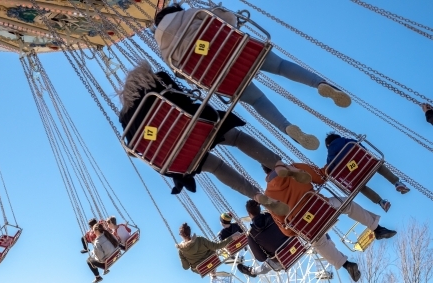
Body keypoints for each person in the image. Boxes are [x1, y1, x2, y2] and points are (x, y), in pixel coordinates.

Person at [118, 60, 312, 215]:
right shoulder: (157, 80)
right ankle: (279, 165)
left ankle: (256, 195)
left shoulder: (125, 118)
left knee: (215, 166)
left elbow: (136, 148)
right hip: (195, 130)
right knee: (236, 138)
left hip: (176, 158)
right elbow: (184, 98)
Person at [153, 5, 352, 150]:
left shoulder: (165, 53)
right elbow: (228, 18)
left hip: (224, 78)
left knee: (257, 101)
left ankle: (287, 127)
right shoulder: (191, 14)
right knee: (281, 66)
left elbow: (188, 77)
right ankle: (320, 84)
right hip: (239, 50)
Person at [263, 163, 397, 282]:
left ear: (266, 173)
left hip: (308, 227)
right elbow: (321, 177)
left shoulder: (268, 197)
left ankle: (346, 265)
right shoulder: (295, 168)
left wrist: (297, 224)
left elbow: (286, 231)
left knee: (318, 243)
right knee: (348, 205)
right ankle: (377, 228)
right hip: (323, 209)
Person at [324, 132, 410, 212]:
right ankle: (396, 183)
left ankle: (381, 202)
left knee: (360, 186)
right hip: (366, 165)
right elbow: (363, 148)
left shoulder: (330, 158)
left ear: (328, 145)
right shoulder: (348, 141)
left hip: (355, 176)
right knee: (378, 166)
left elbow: (333, 172)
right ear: (337, 137)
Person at [236, 200, 291, 277]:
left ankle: (252, 271)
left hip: (280, 260)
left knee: (268, 264)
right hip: (297, 247)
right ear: (260, 208)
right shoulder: (273, 216)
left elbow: (261, 258)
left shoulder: (251, 235)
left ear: (249, 213)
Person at [177, 222, 241, 274]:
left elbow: (186, 267)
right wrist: (231, 237)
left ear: (181, 235)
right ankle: (213, 271)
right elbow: (217, 246)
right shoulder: (200, 239)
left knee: (199, 266)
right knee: (213, 250)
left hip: (201, 269)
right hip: (212, 261)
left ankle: (212, 274)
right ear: (189, 231)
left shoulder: (181, 250)